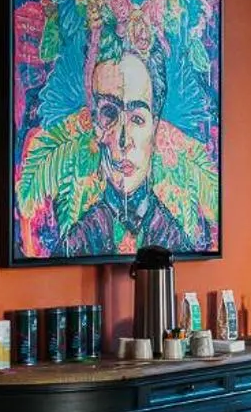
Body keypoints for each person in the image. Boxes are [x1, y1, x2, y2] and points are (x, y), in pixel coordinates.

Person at [52, 41, 189, 257]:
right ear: (94, 123)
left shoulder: (176, 240)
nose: (124, 140)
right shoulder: (76, 241)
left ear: (155, 128)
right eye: (109, 113)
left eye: (137, 118)